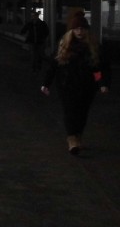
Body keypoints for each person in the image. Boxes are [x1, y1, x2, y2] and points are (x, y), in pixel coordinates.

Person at [41, 11, 109, 155]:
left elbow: (97, 69)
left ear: (86, 30)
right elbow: (54, 66)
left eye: (82, 29)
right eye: (76, 29)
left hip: (87, 86)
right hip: (66, 85)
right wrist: (46, 83)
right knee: (70, 111)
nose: (79, 31)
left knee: (82, 113)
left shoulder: (94, 47)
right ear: (71, 30)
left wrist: (102, 83)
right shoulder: (64, 45)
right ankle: (72, 139)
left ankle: (78, 137)